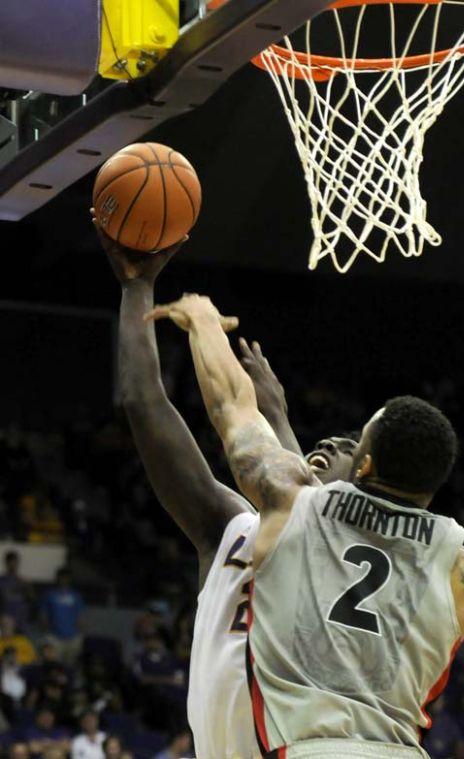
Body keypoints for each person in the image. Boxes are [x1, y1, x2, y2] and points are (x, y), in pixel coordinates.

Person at [151, 292, 464, 759]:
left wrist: (203, 322)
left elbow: (232, 406)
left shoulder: (293, 501)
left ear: (363, 465)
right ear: (429, 490)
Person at [93, 221, 358, 759]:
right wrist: (136, 288)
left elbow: (302, 508)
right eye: (328, 440)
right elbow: (143, 404)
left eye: (346, 450)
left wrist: (275, 418)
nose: (330, 442)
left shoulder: (355, 563)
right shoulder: (231, 527)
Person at [40, 568, 84, 665]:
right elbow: (44, 615)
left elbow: (80, 616)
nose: (63, 580)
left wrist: (80, 634)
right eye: (61, 577)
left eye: (66, 578)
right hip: (55, 637)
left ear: (69, 579)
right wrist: (46, 633)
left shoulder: (75, 596)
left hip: (73, 637)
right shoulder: (49, 595)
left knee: (70, 666)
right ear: (57, 578)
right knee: (54, 665)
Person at [0, 551, 33, 630]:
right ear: (6, 563)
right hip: (7, 618)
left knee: (23, 640)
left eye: (14, 561)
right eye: (10, 561)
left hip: (22, 618)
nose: (12, 564)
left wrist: (27, 587)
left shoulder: (24, 581)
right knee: (8, 641)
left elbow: (31, 598)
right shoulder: (1, 581)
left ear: (18, 563)